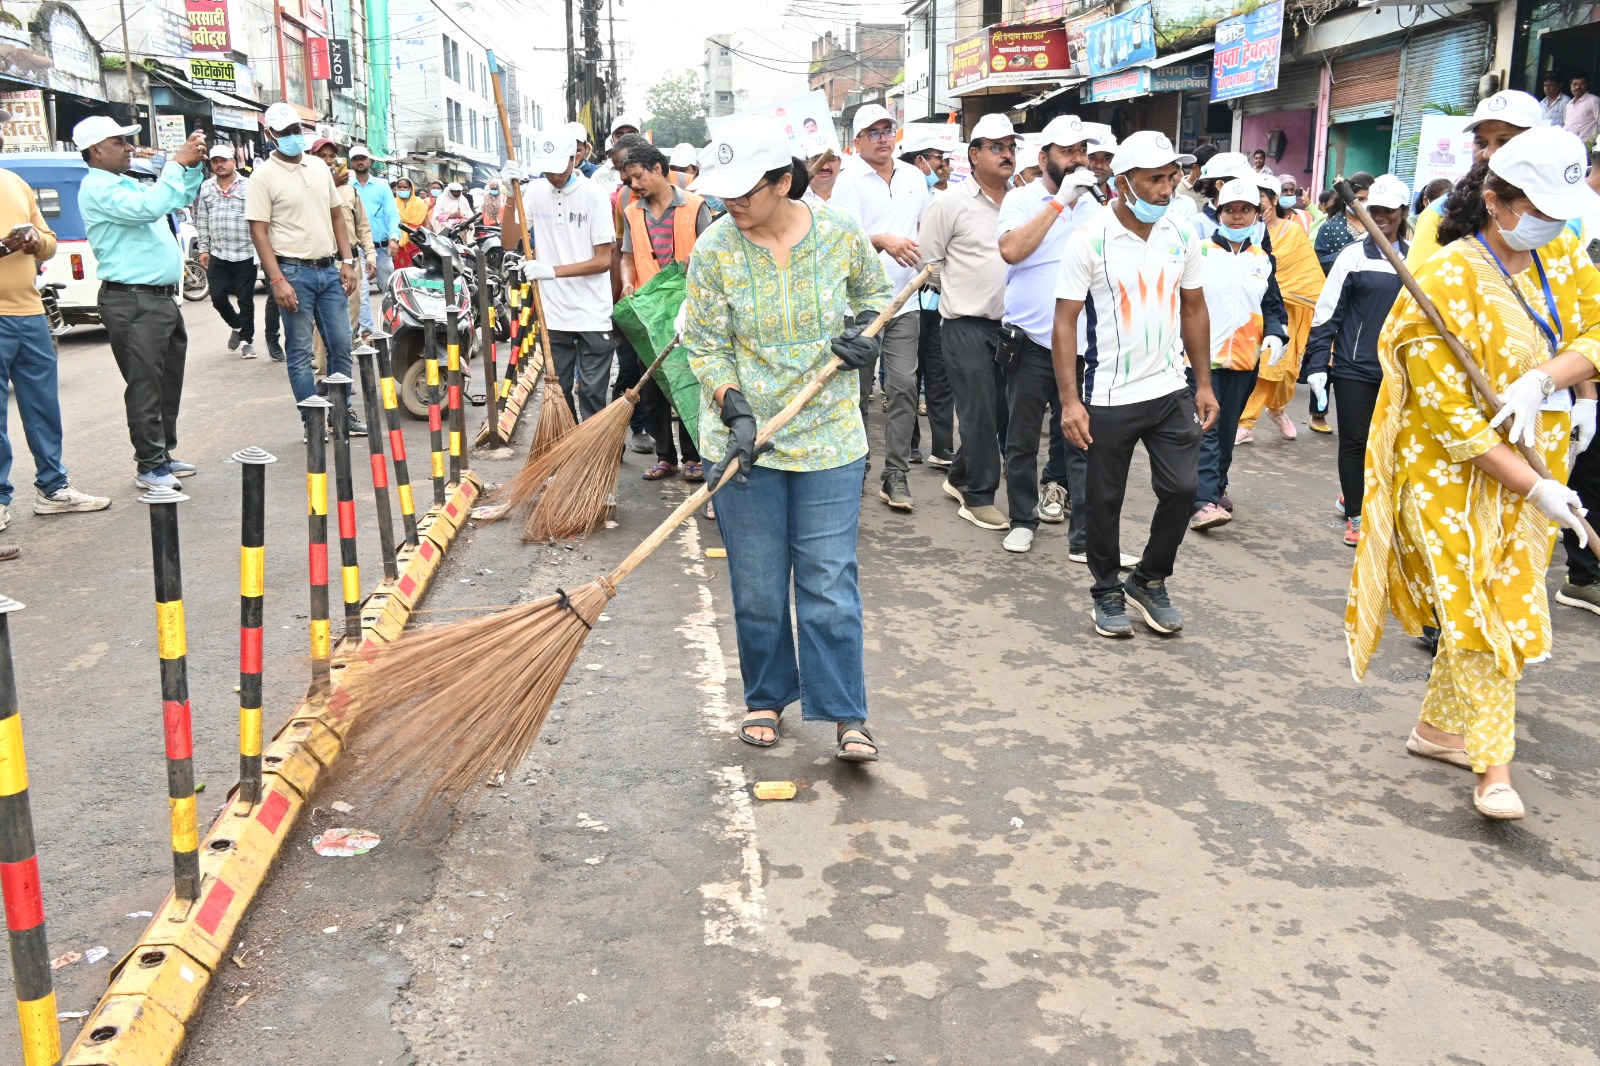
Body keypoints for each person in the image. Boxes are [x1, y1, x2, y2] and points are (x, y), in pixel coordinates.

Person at [1348, 127, 1600, 821]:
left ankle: (1436, 732)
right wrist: (1536, 486)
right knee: (1482, 612)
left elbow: (1595, 331)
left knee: (1511, 593)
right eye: (1539, 207)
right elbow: (1448, 419)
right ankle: (1495, 768)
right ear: (1495, 200)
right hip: (1451, 471)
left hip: (1542, 453)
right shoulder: (1445, 278)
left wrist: (1557, 384)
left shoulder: (1564, 254)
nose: (1554, 221)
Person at [680, 116, 893, 762]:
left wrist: (866, 338)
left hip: (829, 437)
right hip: (748, 443)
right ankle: (767, 695)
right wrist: (734, 408)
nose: (732, 205)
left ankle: (846, 712)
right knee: (759, 584)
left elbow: (876, 296)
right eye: (725, 194)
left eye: (746, 192)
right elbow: (707, 346)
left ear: (781, 181)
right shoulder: (714, 250)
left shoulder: (838, 234)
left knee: (829, 581)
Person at [1052, 130, 1218, 638]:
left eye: (1173, 177)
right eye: (1155, 180)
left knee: (1183, 488)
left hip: (1170, 389)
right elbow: (1064, 322)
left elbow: (1194, 307)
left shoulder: (1182, 233)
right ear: (1123, 183)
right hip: (1108, 394)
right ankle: (1105, 591)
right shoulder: (1090, 241)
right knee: (1104, 501)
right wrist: (1069, 403)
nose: (1167, 189)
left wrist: (1204, 383)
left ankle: (1149, 578)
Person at [78, 116, 206, 490]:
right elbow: (149, 208)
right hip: (133, 300)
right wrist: (175, 164)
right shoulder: (97, 188)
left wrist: (192, 168)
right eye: (119, 142)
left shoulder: (122, 182)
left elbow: (177, 198)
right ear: (96, 150)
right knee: (145, 384)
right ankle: (149, 465)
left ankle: (162, 453)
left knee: (168, 381)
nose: (129, 147)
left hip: (158, 299)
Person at [994, 114, 1102, 555]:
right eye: (1067, 151)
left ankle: (1082, 537)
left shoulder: (1098, 206)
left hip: (1083, 347)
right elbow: (1011, 250)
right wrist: (1059, 202)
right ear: (1044, 158)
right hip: (1031, 342)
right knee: (1021, 438)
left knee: (1083, 440)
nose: (1078, 159)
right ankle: (1023, 518)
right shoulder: (1021, 199)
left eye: (1082, 151)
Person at [0, 137, 109, 528]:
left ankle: (54, 488)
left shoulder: (14, 183)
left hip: (30, 312)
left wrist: (32, 241)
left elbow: (48, 244)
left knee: (43, 407)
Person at [920, 112, 1016, 530]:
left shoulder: (1023, 199)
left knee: (999, 411)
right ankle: (978, 495)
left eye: (1011, 147)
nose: (1007, 155)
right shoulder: (950, 203)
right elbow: (930, 260)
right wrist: (960, 290)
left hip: (1012, 326)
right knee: (977, 410)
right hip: (964, 323)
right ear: (974, 154)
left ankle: (959, 475)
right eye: (997, 147)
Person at [830, 103, 929, 511]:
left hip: (905, 300)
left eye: (888, 130)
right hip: (860, 306)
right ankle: (855, 468)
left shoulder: (914, 177)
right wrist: (883, 239)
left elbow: (925, 228)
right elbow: (844, 240)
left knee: (904, 386)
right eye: (874, 132)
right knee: (856, 392)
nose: (884, 138)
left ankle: (896, 474)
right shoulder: (847, 181)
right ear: (857, 141)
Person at [1305, 170, 1410, 537]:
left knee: (1389, 443)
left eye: (1389, 210)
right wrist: (1318, 363)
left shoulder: (1416, 260)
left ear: (1404, 211)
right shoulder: (1353, 257)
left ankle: (1362, 496)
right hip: (1354, 367)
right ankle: (1356, 513)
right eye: (1375, 208)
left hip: (1399, 370)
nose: (1381, 216)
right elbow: (1326, 314)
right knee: (1355, 440)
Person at [246, 102, 360, 429]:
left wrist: (347, 261)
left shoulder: (317, 167)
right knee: (299, 352)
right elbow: (259, 231)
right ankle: (312, 422)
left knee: (341, 345)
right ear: (270, 135)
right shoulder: (263, 177)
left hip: (328, 270)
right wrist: (277, 279)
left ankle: (341, 414)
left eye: (296, 130)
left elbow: (337, 215)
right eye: (285, 133)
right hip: (292, 273)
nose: (293, 137)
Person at [1189, 178, 1289, 530]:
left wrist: (1277, 335)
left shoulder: (1263, 260)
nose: (1236, 217)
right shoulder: (1197, 251)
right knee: (1208, 428)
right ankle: (1203, 502)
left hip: (1244, 359)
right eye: (1229, 210)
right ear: (1219, 214)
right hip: (1200, 357)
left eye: (1244, 210)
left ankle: (1216, 486)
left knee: (1228, 427)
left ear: (1256, 215)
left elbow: (1273, 307)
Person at [508, 129, 616, 420]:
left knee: (592, 392)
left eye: (559, 169)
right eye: (547, 170)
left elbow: (603, 260)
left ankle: (596, 453)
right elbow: (509, 239)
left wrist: (551, 271)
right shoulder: (534, 191)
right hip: (553, 312)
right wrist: (509, 196)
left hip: (593, 310)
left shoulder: (595, 195)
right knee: (560, 390)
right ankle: (567, 451)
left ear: (576, 157)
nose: (554, 177)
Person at [619, 141, 712, 481]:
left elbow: (712, 251)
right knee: (654, 386)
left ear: (658, 169)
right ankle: (665, 456)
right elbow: (627, 256)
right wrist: (628, 282)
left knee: (687, 381)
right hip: (648, 311)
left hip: (688, 309)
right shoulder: (632, 212)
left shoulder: (696, 205)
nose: (634, 186)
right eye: (629, 181)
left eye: (638, 177)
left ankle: (694, 456)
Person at [1407, 91, 1544, 270]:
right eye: (1481, 143)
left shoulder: (1555, 213)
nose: (1488, 154)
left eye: (1503, 142)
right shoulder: (1440, 212)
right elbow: (1418, 286)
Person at [1238, 174, 1325, 443]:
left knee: (1286, 373)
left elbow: (1308, 275)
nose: (1256, 205)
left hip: (1290, 311)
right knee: (1265, 367)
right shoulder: (1245, 232)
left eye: (1260, 199)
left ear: (1274, 200)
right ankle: (1246, 423)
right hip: (1253, 311)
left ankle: (1277, 410)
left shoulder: (1293, 232)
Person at [194, 142, 265, 358]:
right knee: (217, 297)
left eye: (223, 161)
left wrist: (261, 249)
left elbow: (258, 218)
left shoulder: (249, 185)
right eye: (215, 161)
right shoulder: (207, 187)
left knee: (245, 299)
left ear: (233, 162)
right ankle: (237, 325)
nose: (219, 165)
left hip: (244, 252)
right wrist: (203, 248)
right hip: (219, 252)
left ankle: (246, 341)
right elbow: (202, 219)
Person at [312, 138, 377, 366]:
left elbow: (363, 227)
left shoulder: (350, 191)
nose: (328, 161)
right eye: (323, 157)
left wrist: (370, 255)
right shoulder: (309, 190)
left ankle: (341, 368)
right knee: (324, 323)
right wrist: (328, 183)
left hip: (352, 262)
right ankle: (322, 374)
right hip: (326, 264)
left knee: (351, 318)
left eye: (332, 156)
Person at [348, 145, 398, 323]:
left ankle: (391, 326)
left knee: (389, 291)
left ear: (369, 161)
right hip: (357, 248)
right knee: (360, 292)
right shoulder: (346, 187)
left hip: (382, 247)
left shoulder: (382, 187)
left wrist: (394, 238)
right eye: (355, 159)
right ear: (351, 162)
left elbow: (392, 213)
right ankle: (366, 333)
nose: (359, 162)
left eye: (362, 158)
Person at [1314, 170, 1373, 273]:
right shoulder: (1329, 227)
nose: (1366, 203)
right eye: (1360, 199)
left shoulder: (1379, 225)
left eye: (1369, 199)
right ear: (1346, 198)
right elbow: (1318, 261)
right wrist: (1349, 254)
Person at [392, 176, 431, 268]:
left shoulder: (419, 203)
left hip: (415, 240)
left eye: (405, 187)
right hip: (398, 241)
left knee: (417, 268)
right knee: (399, 270)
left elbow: (426, 223)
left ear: (411, 188)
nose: (402, 189)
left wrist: (426, 240)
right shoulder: (393, 203)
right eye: (399, 187)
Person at [1565, 75, 1600, 144]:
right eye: (1575, 84)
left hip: (1587, 146)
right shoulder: (1569, 104)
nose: (1578, 87)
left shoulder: (1594, 100)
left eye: (1582, 84)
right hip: (1569, 144)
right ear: (1570, 87)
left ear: (1587, 85)